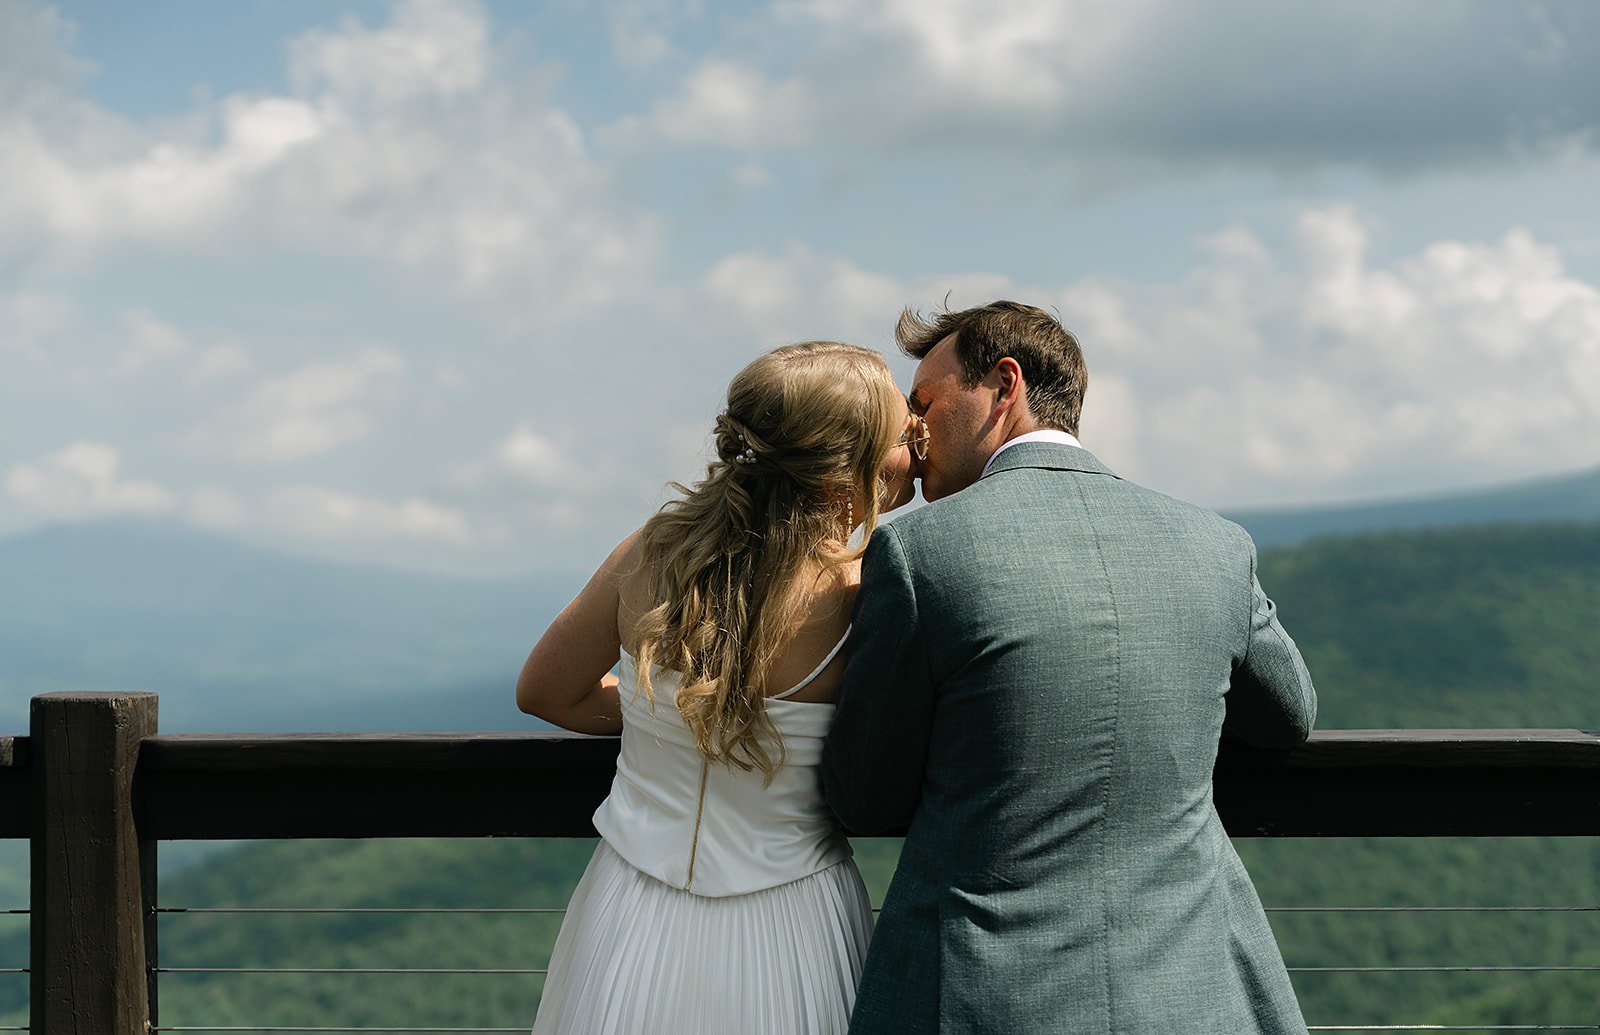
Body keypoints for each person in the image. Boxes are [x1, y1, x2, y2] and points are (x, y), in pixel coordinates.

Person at [821, 301, 1317, 1034]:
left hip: (982, 995)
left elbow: (863, 796)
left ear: (1004, 384)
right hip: (1190, 988)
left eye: (923, 403)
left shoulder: (918, 554)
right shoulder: (1214, 544)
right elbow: (1288, 718)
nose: (910, 434)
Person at [517, 341, 921, 1034]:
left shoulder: (653, 549)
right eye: (899, 431)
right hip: (792, 924)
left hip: (628, 909)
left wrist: (663, 711)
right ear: (836, 479)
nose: (915, 436)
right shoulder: (868, 595)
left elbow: (547, 690)